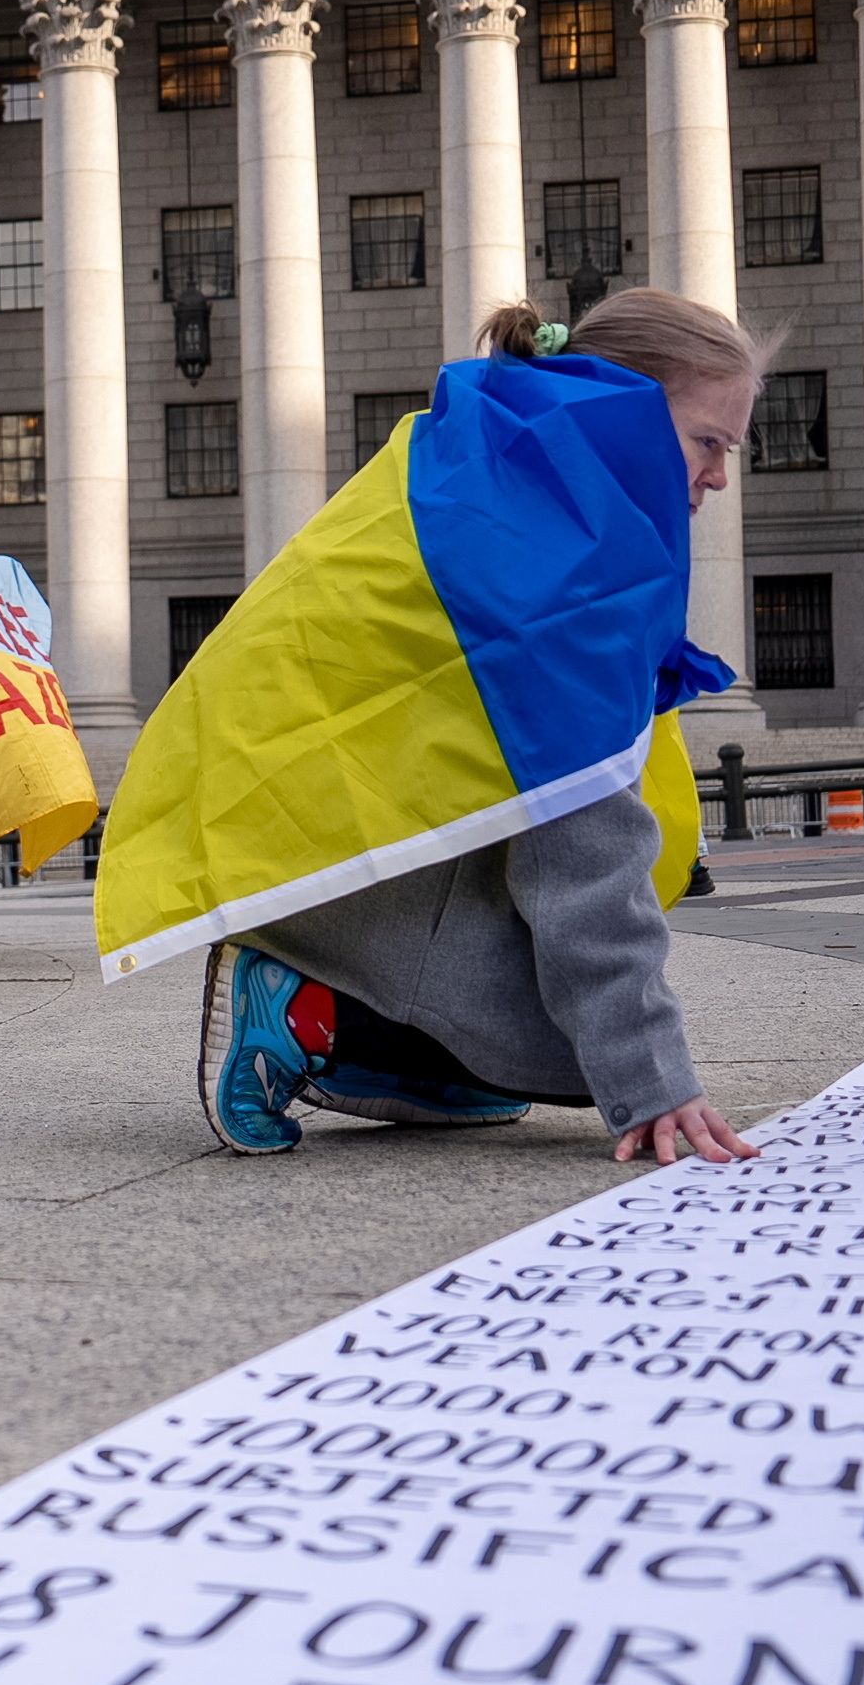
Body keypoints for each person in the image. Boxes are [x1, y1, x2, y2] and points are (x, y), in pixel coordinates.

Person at [179, 295, 768, 1166]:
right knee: (579, 1047)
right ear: (626, 412)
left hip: (293, 828)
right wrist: (653, 1079)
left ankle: (413, 1055)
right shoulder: (569, 574)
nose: (720, 475)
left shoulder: (504, 479)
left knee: (555, 1041)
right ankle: (311, 1002)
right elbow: (580, 857)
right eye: (707, 442)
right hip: (328, 869)